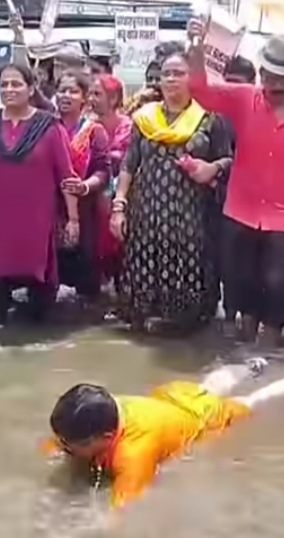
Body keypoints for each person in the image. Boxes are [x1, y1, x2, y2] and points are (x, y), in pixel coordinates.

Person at [187, 24, 284, 345]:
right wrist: (195, 51)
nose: (275, 84)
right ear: (261, 72)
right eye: (270, 76)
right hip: (241, 208)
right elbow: (202, 91)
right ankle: (244, 346)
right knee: (240, 281)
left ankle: (271, 348)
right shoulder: (244, 97)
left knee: (278, 283)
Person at [46, 358, 284, 507]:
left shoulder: (134, 454)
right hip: (172, 396)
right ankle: (251, 367)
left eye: (70, 444)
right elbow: (59, 442)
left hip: (202, 420)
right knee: (207, 388)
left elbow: (123, 514)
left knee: (247, 403)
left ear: (105, 439)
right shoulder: (97, 410)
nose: (63, 445)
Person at [110, 46, 231, 333]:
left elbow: (229, 159)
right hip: (146, 214)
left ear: (192, 79)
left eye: (179, 73)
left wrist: (211, 168)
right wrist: (119, 206)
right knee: (142, 278)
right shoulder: (144, 118)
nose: (171, 79)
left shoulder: (209, 119)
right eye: (166, 74)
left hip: (190, 216)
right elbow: (129, 164)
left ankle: (185, 329)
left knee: (189, 279)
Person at [0, 63, 78, 327]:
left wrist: (73, 219)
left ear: (31, 89)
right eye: (5, 84)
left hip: (37, 225)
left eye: (17, 84)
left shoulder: (50, 127)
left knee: (39, 312)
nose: (10, 89)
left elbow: (67, 176)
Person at [55, 70, 111, 305]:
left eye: (73, 91)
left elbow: (103, 171)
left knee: (86, 272)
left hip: (86, 208)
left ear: (85, 98)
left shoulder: (94, 131)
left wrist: (85, 186)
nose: (66, 95)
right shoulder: (46, 126)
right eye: (62, 90)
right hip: (51, 208)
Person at [214, 56, 256, 334]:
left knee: (245, 264)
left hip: (249, 201)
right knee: (221, 260)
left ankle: (242, 318)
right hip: (214, 198)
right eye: (227, 83)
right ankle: (226, 315)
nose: (231, 90)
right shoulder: (212, 114)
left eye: (238, 84)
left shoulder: (257, 116)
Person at [88, 74, 131, 284]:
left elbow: (120, 158)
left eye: (97, 94)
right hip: (94, 194)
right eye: (90, 94)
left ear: (113, 99)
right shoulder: (88, 126)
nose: (91, 99)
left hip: (121, 193)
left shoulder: (128, 126)